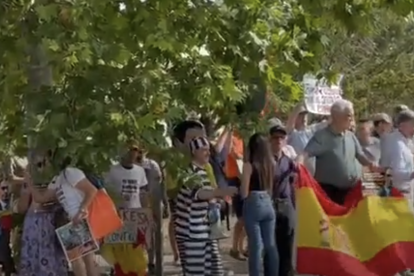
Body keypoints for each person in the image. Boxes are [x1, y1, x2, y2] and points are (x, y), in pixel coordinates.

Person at [297, 99, 380, 205]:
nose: (352, 119)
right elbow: (306, 153)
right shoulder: (322, 136)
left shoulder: (351, 136)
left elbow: (360, 156)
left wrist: (371, 164)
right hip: (330, 194)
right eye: (349, 115)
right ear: (337, 116)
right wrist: (299, 161)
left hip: (351, 192)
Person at [27, 155, 99, 276]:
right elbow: (40, 198)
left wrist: (81, 211)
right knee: (81, 260)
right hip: (71, 222)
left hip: (80, 219)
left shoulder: (70, 172)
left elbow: (91, 190)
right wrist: (29, 181)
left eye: (45, 162)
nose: (44, 166)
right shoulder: (57, 179)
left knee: (83, 260)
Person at [175, 136, 236, 275]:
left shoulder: (203, 171)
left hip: (204, 230)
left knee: (213, 270)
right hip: (192, 233)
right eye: (204, 150)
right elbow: (200, 193)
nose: (208, 153)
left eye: (208, 149)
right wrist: (222, 192)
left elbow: (207, 197)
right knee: (196, 272)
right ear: (194, 152)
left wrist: (217, 198)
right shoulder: (189, 173)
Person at [103, 140, 149, 276]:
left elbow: (143, 193)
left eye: (134, 149)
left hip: (135, 217)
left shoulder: (140, 171)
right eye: (128, 149)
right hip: (117, 218)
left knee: (136, 254)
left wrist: (146, 214)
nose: (131, 153)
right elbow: (104, 192)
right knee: (118, 256)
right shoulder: (112, 170)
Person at [18, 152, 68, 276]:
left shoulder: (59, 178)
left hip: (52, 224)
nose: (41, 168)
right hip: (32, 227)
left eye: (44, 163)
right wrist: (26, 188)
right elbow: (21, 208)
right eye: (38, 165)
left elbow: (47, 199)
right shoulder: (30, 180)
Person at [168, 120, 206, 266]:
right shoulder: (173, 164)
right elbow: (172, 194)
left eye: (201, 139)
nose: (199, 143)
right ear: (178, 142)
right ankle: (178, 255)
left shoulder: (204, 163)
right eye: (193, 139)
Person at [241, 133, 279, 276]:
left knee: (256, 246)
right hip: (268, 202)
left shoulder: (249, 165)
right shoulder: (271, 164)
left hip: (254, 201)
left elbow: (244, 192)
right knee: (270, 245)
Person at [269, 124, 297, 276]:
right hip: (270, 206)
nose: (278, 140)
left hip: (286, 206)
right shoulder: (265, 161)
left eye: (281, 137)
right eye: (275, 137)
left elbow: (295, 183)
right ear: (270, 140)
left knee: (287, 245)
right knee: (271, 247)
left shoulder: (290, 162)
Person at [382, 110, 414, 202]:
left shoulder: (405, 141)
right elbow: (395, 172)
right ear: (402, 125)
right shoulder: (396, 144)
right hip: (398, 194)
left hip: (404, 191)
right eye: (412, 125)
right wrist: (412, 174)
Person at [226, 130, 246, 260]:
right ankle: (234, 248)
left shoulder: (242, 136)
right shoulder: (231, 135)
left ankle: (240, 247)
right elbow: (232, 153)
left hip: (242, 177)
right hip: (235, 178)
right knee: (242, 217)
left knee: (246, 217)